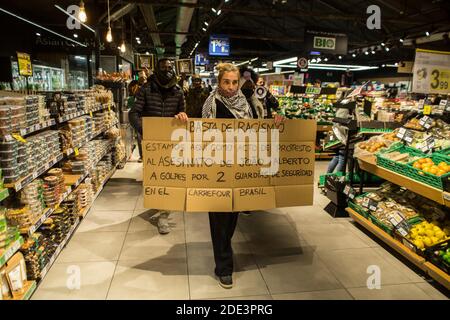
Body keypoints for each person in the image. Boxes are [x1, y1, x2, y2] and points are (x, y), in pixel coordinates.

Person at [202, 63, 284, 289]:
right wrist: (181, 118)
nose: (230, 87)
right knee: (219, 220)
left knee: (231, 218)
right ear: (219, 82)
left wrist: (274, 123)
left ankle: (223, 249)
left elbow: (255, 132)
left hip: (239, 171)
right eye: (225, 82)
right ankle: (224, 267)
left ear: (239, 82)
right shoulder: (211, 103)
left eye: (234, 82)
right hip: (216, 170)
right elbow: (197, 131)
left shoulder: (245, 104)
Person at [129, 58, 188, 234]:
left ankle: (164, 215)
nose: (167, 70)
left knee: (168, 178)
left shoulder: (178, 92)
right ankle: (159, 203)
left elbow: (183, 113)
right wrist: (145, 130)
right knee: (154, 177)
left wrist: (182, 117)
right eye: (164, 67)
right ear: (157, 69)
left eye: (170, 68)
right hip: (151, 144)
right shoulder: (146, 89)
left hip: (171, 143)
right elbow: (134, 114)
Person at [127, 80, 143, 162]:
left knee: (140, 137)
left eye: (131, 88)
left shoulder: (141, 92)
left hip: (142, 118)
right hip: (139, 118)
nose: (131, 91)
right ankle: (142, 156)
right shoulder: (136, 95)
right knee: (140, 138)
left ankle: (143, 156)